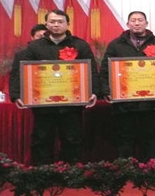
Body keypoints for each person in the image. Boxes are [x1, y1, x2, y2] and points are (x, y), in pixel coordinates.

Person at [9, 10, 98, 165]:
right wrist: (17, 95)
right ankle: (43, 172)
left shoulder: (80, 45)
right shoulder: (34, 47)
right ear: (46, 24)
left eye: (60, 22)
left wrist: (94, 92)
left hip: (72, 104)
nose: (56, 25)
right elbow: (19, 72)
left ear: (68, 24)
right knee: (41, 139)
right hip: (43, 104)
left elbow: (92, 71)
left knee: (72, 139)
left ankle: (72, 172)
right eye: (52, 22)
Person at [100, 11, 155, 160]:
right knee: (124, 138)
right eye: (133, 20)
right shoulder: (116, 44)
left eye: (140, 20)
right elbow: (105, 69)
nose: (137, 23)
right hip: (124, 104)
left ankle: (152, 168)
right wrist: (106, 90)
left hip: (150, 103)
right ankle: (125, 168)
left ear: (146, 23)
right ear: (128, 24)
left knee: (151, 139)